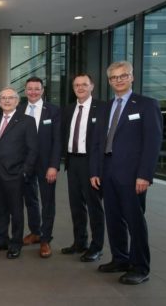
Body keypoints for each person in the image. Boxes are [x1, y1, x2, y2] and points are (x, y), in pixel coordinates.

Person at [90, 61, 163, 285]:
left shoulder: (146, 104)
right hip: (107, 171)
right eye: (113, 78)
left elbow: (152, 143)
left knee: (135, 221)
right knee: (113, 218)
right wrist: (95, 171)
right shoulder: (106, 107)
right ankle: (120, 258)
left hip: (132, 175)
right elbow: (97, 142)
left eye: (123, 76)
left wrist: (145, 175)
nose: (118, 80)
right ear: (109, 81)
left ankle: (140, 267)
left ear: (132, 77)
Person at [0, 87, 38, 259]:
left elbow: (33, 150)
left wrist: (25, 171)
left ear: (17, 101)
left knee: (16, 211)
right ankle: (1, 240)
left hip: (16, 174)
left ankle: (15, 243)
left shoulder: (27, 121)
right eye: (3, 98)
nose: (6, 101)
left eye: (10, 98)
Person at [61, 74, 105, 262]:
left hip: (91, 162)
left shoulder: (102, 108)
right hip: (73, 162)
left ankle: (96, 247)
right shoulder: (69, 109)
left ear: (91, 86)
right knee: (76, 205)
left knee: (94, 206)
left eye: (84, 84)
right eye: (76, 85)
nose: (80, 87)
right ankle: (80, 242)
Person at [20, 77, 61, 258]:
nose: (33, 92)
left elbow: (57, 141)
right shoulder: (19, 109)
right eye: (30, 89)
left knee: (47, 202)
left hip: (46, 164)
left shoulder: (53, 110)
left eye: (37, 89)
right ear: (25, 90)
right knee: (30, 200)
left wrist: (54, 166)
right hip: (25, 163)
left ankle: (45, 239)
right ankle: (35, 231)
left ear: (42, 90)